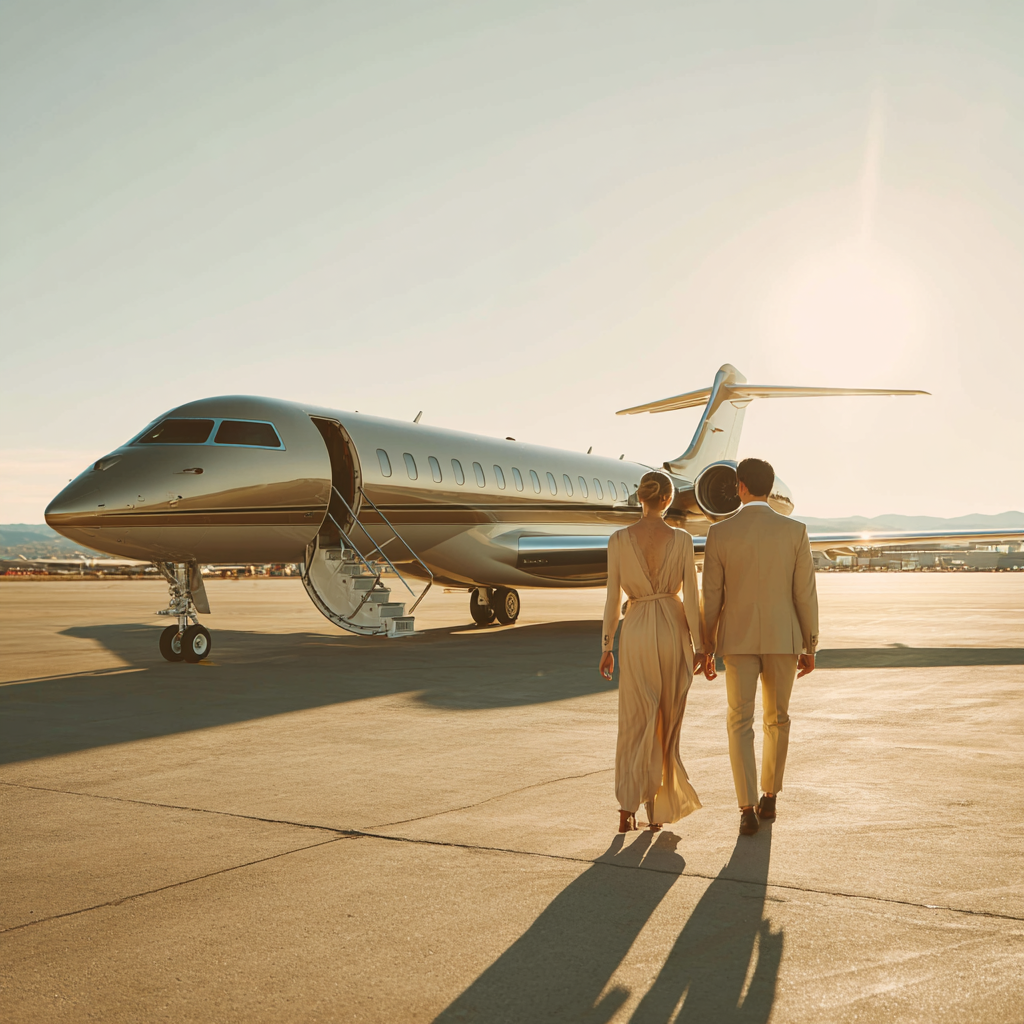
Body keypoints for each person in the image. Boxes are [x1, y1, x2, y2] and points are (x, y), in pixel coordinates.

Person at [701, 457, 819, 837]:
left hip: (737, 639)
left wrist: (705, 645)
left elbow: (712, 596)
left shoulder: (719, 534)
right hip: (784, 639)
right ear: (769, 488)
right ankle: (770, 794)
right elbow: (804, 593)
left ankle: (746, 807)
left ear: (740, 487)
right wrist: (810, 643)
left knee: (739, 721)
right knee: (777, 718)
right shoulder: (795, 530)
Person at [599, 470, 705, 833]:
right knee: (666, 720)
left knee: (635, 718)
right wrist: (703, 646)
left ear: (640, 498)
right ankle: (657, 808)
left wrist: (607, 644)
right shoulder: (683, 539)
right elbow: (692, 596)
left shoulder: (617, 540)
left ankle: (627, 808)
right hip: (673, 628)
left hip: (638, 625)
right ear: (668, 499)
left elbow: (613, 597)